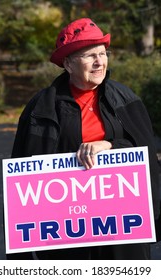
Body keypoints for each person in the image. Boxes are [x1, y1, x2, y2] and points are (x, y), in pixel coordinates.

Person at [8, 18, 160, 260]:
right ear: (68, 64)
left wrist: (109, 145)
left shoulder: (125, 98)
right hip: (66, 227)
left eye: (103, 53)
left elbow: (146, 153)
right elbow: (24, 174)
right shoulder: (42, 107)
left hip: (123, 226)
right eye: (90, 56)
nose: (100, 62)